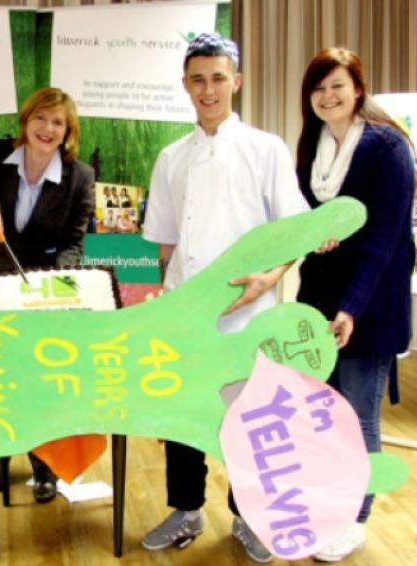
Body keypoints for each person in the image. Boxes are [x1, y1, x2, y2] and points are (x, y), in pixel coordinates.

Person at [141, 33, 309, 562]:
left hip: (248, 313)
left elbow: (296, 231)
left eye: (218, 78)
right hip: (185, 316)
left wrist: (270, 278)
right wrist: (166, 299)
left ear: (235, 81)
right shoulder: (172, 157)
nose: (208, 89)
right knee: (184, 416)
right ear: (185, 86)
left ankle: (252, 517)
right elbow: (166, 239)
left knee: (249, 419)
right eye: (197, 79)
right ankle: (186, 510)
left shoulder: (266, 149)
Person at [295, 47, 416, 562]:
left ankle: (355, 519)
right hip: (317, 303)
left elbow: (383, 242)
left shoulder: (387, 149)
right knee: (322, 413)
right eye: (319, 88)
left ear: (358, 90)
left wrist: (351, 309)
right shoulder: (312, 145)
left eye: (337, 86)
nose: (327, 97)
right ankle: (328, 504)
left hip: (369, 305)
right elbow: (303, 214)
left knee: (357, 415)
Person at [0, 86, 95, 503]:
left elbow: (75, 241)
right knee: (0, 373)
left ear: (68, 132)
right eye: (40, 118)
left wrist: (55, 283)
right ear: (26, 121)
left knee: (42, 377)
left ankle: (45, 464)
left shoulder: (80, 177)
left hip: (42, 283)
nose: (47, 128)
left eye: (58, 122)